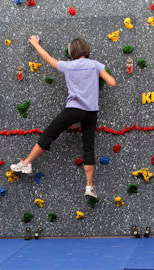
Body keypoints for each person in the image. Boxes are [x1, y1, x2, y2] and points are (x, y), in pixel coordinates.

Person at [10, 36, 116, 198]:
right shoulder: (95, 65)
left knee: (50, 134)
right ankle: (89, 186)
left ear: (71, 52)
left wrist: (35, 44)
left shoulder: (68, 66)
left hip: (73, 109)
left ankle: (27, 163)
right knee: (88, 147)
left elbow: (48, 58)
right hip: (91, 112)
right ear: (86, 50)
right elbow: (112, 82)